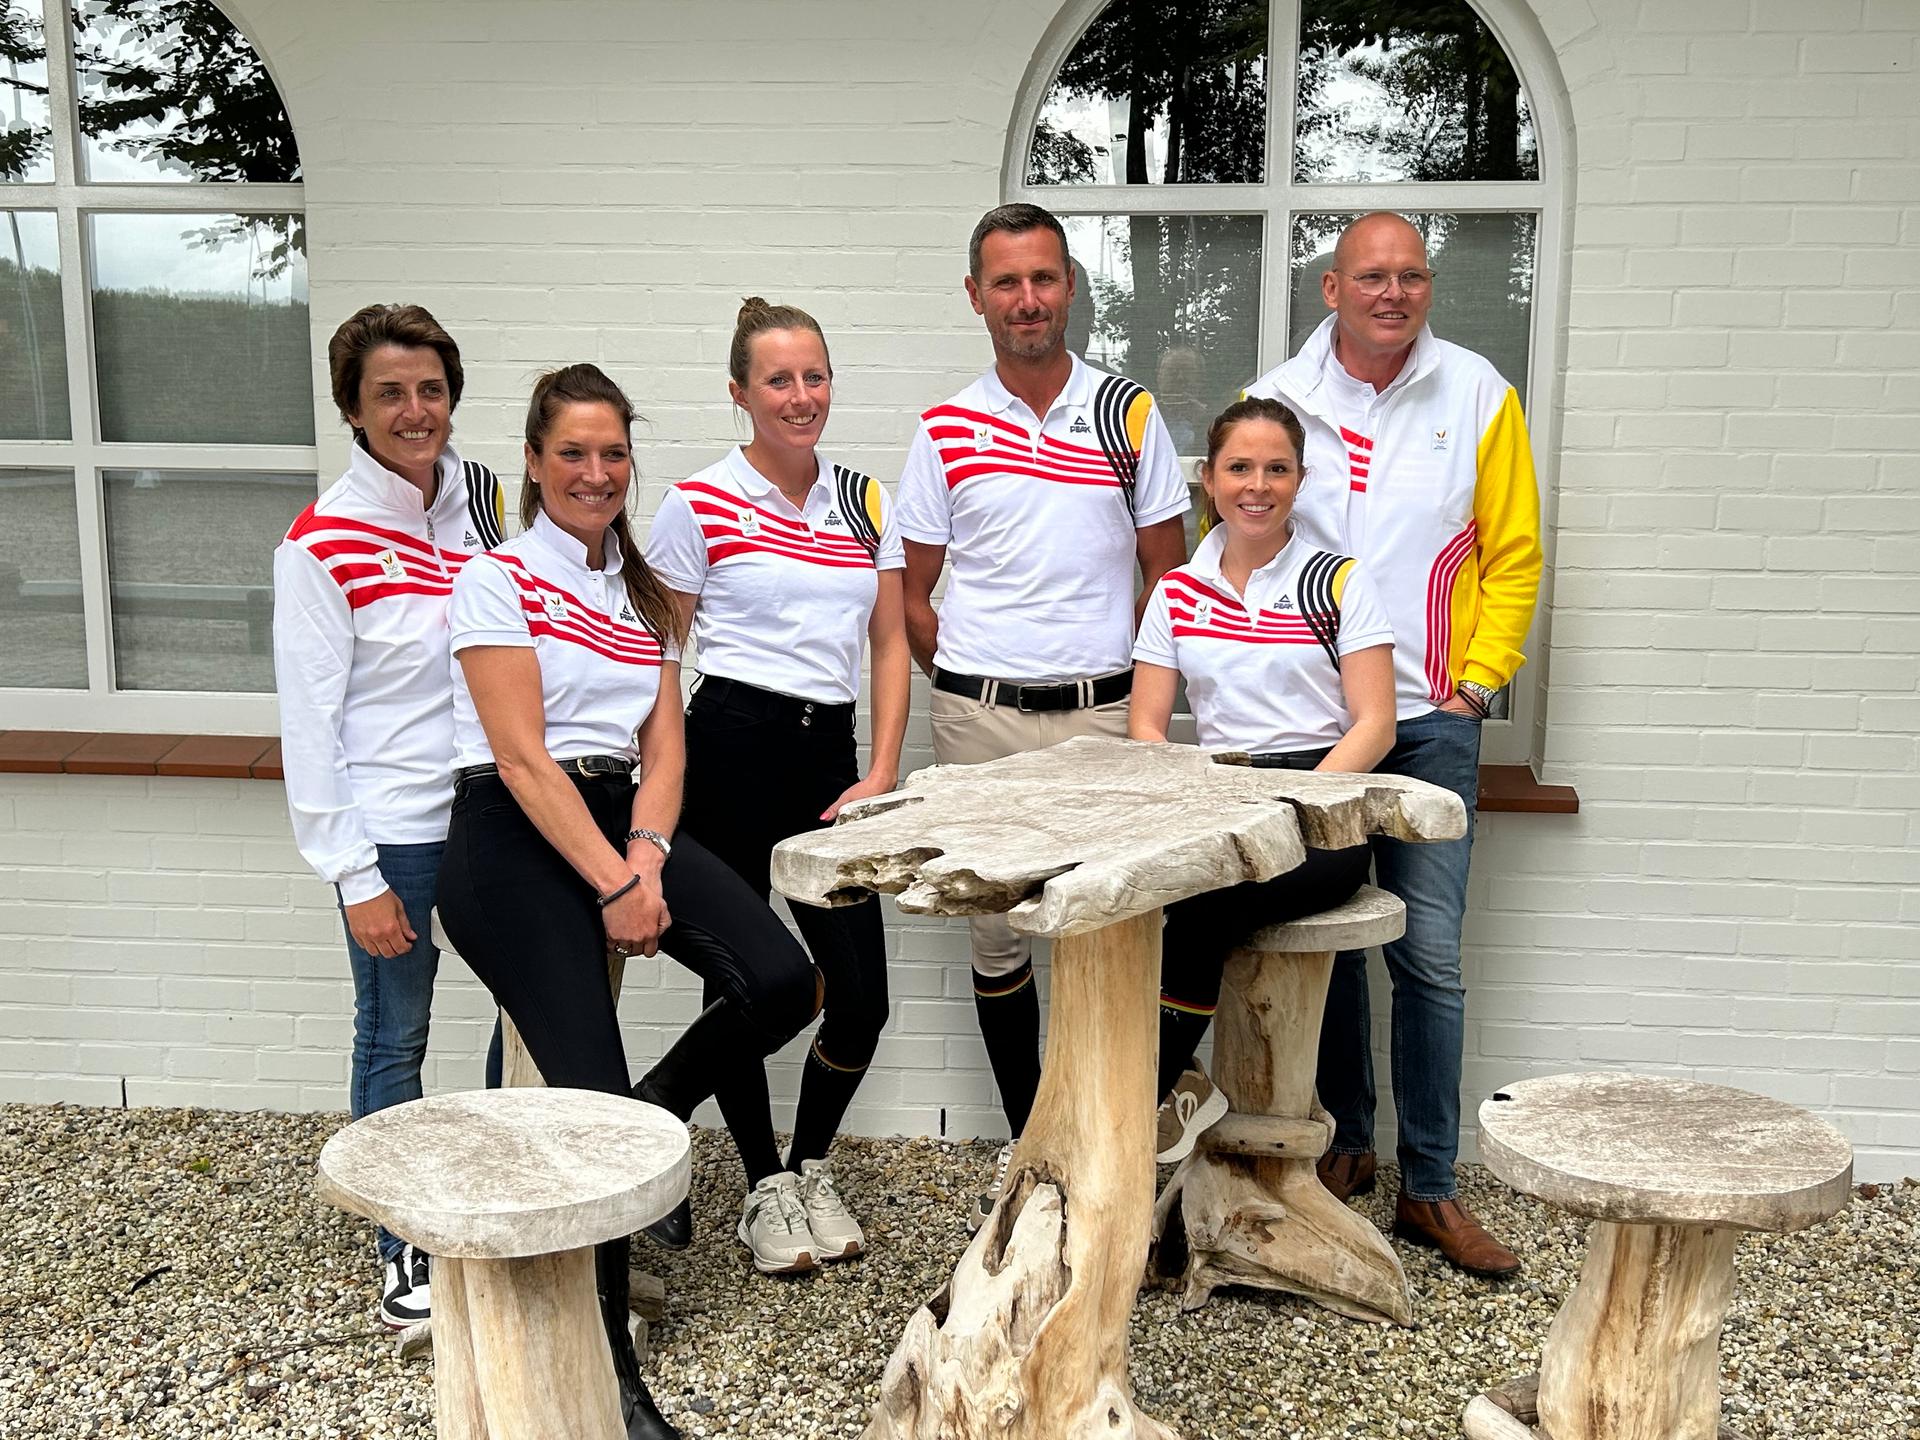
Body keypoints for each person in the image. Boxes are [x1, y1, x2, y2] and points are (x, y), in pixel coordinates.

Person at [434, 363, 819, 1440]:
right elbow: (519, 758)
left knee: (786, 980)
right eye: (573, 453)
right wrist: (612, 882)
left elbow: (663, 744)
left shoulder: (640, 590)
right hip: (512, 837)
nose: (596, 473)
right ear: (534, 461)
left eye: (613, 454)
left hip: (619, 818)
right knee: (587, 1112)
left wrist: (644, 858)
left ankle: (661, 1110)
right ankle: (611, 1377)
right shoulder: (498, 579)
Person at [1244, 210, 1542, 1276]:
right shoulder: (1285, 396)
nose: (1392, 293)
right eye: (1371, 276)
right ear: (1332, 288)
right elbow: (1246, 532)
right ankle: (1347, 1148)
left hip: (1427, 725)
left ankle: (1432, 1186)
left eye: (1411, 276)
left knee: (1426, 954)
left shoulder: (1477, 394)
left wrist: (1478, 683)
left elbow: (1514, 552)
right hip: (1311, 722)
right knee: (1328, 936)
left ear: (1429, 289)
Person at [896, 202, 1190, 1228]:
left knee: (1105, 936)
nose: (1028, 299)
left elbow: (1170, 574)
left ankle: (1103, 1148)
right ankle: (1034, 1158)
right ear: (977, 296)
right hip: (980, 724)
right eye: (1006, 282)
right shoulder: (943, 429)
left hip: (1103, 723)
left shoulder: (1129, 413)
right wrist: (979, 682)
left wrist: (1119, 697)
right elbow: (915, 595)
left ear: (1071, 287)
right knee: (999, 944)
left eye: (1045, 278)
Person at [647, 298, 909, 1274]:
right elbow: (660, 660)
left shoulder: (861, 497)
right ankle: (762, 1188)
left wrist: (881, 768)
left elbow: (887, 639)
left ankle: (807, 1166)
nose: (801, 397)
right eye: (779, 381)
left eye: (814, 377)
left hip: (826, 762)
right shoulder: (699, 502)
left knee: (860, 998)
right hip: (727, 747)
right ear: (739, 393)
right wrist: (659, 785)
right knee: (746, 980)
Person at [273, 303, 502, 1328]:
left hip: (497, 817)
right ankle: (402, 1246)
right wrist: (352, 872)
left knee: (529, 1017)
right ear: (353, 411)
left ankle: (504, 1211)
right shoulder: (322, 541)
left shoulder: (487, 499)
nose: (416, 411)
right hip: (395, 835)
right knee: (393, 1037)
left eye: (430, 389)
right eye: (390, 394)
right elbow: (309, 722)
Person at [1129, 397, 1396, 1162]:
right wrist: (1206, 801)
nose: (1257, 484)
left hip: (1323, 809)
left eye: (1276, 468)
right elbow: (1147, 728)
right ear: (1208, 479)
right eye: (1239, 467)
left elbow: (1375, 723)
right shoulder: (1178, 592)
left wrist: (1294, 805)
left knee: (1206, 902)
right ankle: (1171, 1087)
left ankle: (1147, 1097)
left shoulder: (1336, 581)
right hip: (1219, 796)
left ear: (1300, 480)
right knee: (1171, 893)